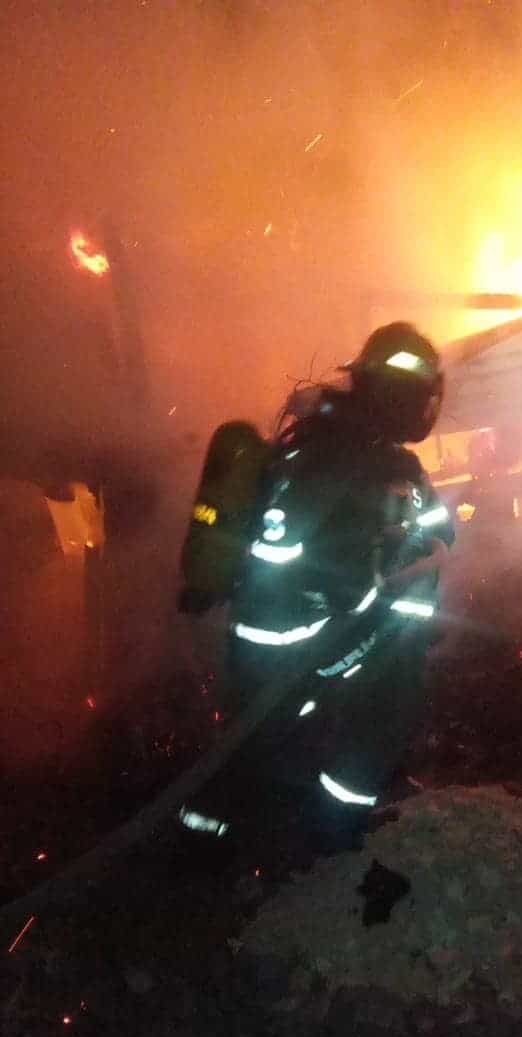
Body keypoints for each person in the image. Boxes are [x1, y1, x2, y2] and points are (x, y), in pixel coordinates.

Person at [179, 323, 454, 850]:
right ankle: (334, 835)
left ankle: (211, 837)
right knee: (383, 706)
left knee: (261, 740)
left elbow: (438, 531)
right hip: (301, 639)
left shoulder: (325, 443)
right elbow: (283, 552)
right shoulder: (356, 458)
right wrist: (360, 608)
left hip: (272, 637)